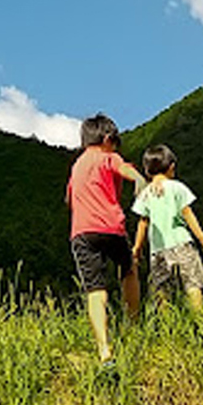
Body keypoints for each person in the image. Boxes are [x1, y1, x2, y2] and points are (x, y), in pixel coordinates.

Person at [67, 113, 153, 368]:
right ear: (107, 139)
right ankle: (133, 328)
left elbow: (69, 199)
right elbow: (123, 168)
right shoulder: (108, 157)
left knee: (95, 290)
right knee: (129, 270)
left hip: (82, 233)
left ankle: (104, 350)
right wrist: (139, 180)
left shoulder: (76, 166)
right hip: (110, 227)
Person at [131, 144, 203, 312]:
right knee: (193, 283)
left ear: (147, 171)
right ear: (172, 167)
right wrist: (202, 237)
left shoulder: (145, 194)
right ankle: (199, 317)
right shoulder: (178, 187)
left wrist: (137, 248)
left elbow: (142, 223)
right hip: (182, 243)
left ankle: (167, 325)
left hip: (158, 250)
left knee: (162, 290)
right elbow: (187, 213)